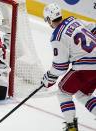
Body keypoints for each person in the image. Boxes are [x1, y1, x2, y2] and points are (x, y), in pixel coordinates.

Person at [41, 3, 96, 131]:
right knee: (83, 94)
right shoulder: (73, 20)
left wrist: (48, 78)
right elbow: (93, 28)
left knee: (63, 93)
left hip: (85, 67)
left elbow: (60, 67)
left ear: (49, 19)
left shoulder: (57, 36)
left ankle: (71, 127)